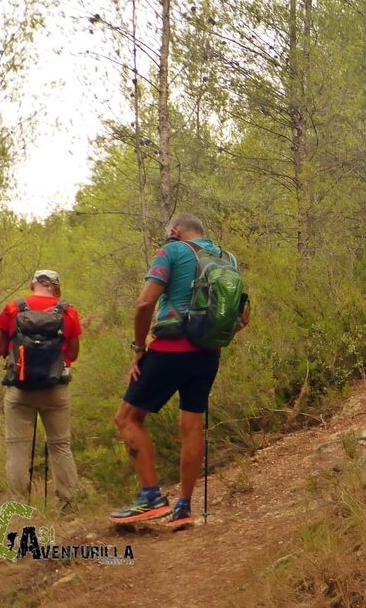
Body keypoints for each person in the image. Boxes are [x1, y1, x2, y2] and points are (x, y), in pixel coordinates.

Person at [111, 213, 248, 527]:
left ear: (175, 231)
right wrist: (207, 336)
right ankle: (183, 508)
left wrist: (138, 349)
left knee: (127, 418)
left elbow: (144, 304)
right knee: (191, 427)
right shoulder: (228, 258)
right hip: (208, 355)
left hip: (170, 349)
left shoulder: (171, 251)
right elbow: (242, 318)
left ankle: (151, 497)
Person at [0, 270, 82, 513]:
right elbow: (72, 354)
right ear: (56, 287)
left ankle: (18, 509)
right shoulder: (68, 312)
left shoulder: (13, 308)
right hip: (56, 389)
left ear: (33, 285)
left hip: (20, 390)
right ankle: (68, 506)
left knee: (18, 448)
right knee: (60, 445)